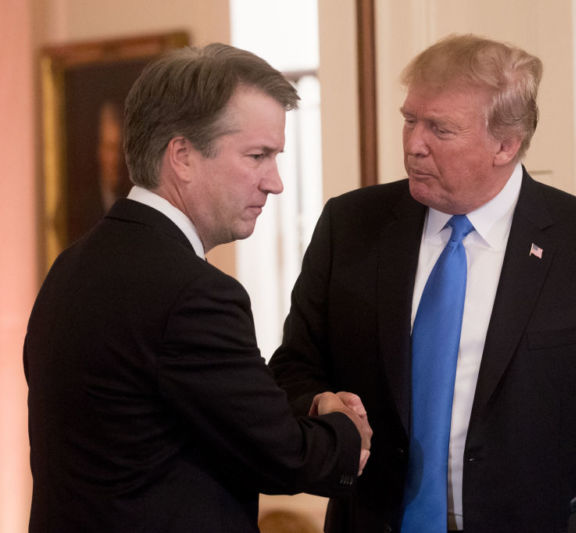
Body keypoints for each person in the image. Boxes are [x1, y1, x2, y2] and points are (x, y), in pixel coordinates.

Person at [268, 34, 576, 533]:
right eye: (409, 119)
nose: (413, 144)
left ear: (506, 144)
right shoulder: (351, 225)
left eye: (439, 129)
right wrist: (320, 403)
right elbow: (293, 368)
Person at [24, 43, 371, 533]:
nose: (275, 183)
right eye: (257, 156)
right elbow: (286, 457)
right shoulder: (192, 293)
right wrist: (345, 429)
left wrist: (307, 406)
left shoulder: (73, 264)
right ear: (182, 156)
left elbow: (209, 403)